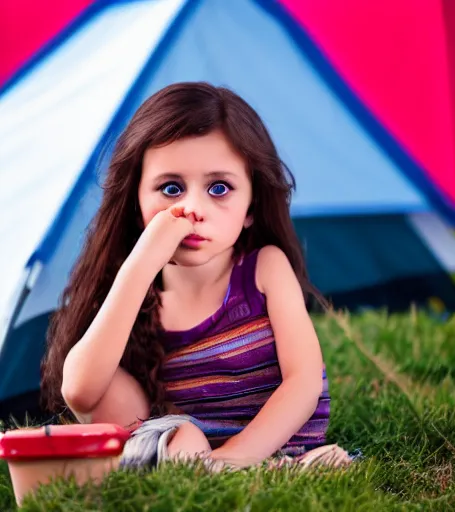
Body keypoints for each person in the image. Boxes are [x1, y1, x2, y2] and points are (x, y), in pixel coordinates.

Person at [39, 82, 352, 474]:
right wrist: (140, 264)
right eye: (171, 188)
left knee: (188, 444)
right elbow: (81, 393)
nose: (192, 209)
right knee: (143, 410)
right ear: (136, 205)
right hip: (188, 451)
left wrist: (230, 459)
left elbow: (303, 384)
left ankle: (246, 469)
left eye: (219, 188)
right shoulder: (139, 294)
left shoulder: (265, 269)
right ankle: (212, 470)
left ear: (251, 206)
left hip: (272, 440)